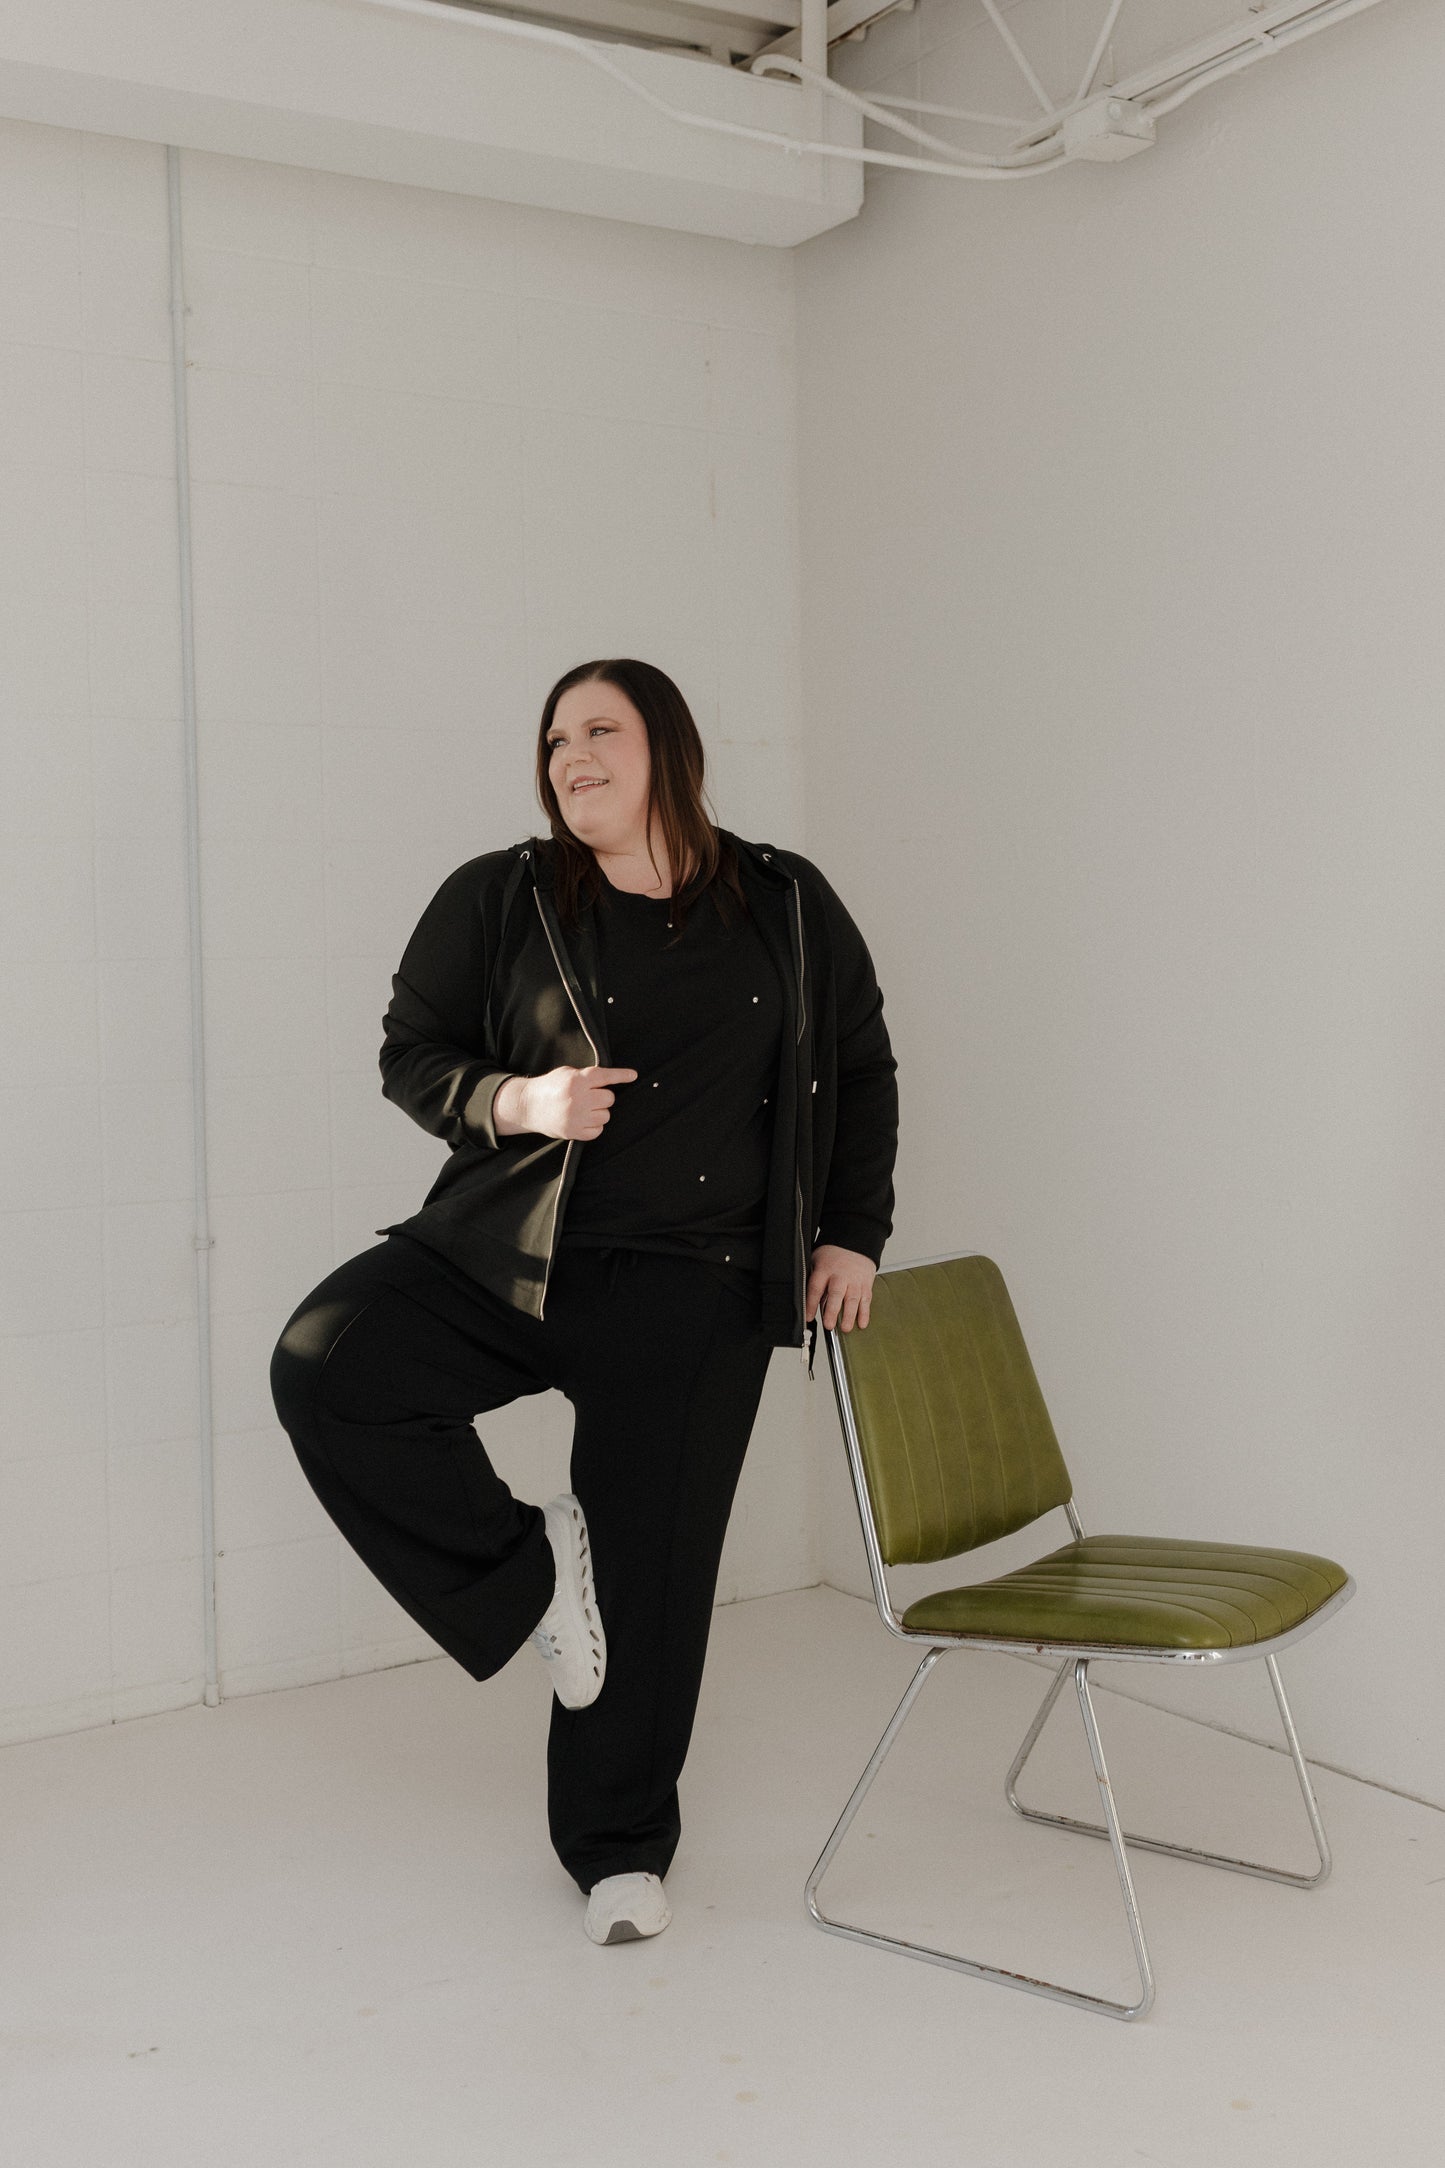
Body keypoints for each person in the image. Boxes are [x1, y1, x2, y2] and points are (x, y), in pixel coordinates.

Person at [269, 658, 899, 1946]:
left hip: (702, 1283)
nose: (572, 758)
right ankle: (532, 1575)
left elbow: (860, 1064)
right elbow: (410, 1050)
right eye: (555, 740)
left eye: (600, 730)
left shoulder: (786, 901)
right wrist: (518, 1101)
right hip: (515, 1252)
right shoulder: (502, 893)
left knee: (654, 1574)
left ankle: (618, 1852)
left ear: (670, 746)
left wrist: (852, 1234)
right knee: (328, 1367)